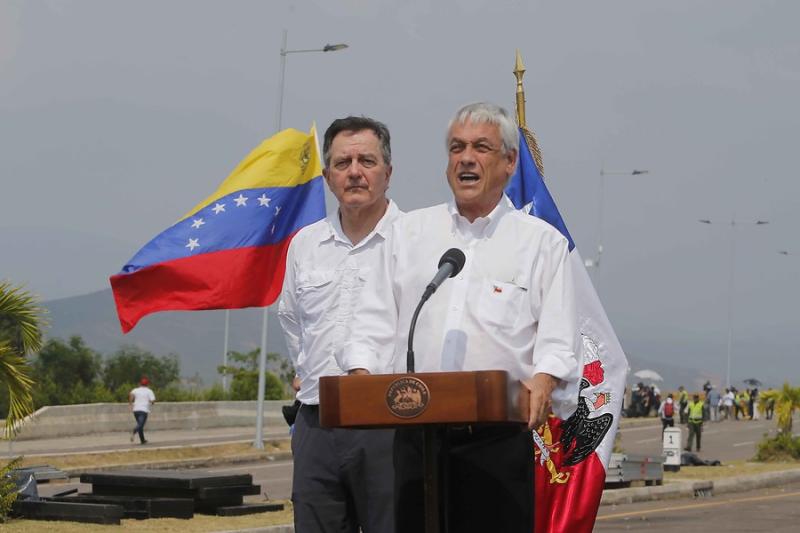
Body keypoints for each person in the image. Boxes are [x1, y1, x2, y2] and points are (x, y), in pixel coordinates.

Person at [341, 102, 581, 533]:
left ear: (509, 162)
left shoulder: (540, 243)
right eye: (456, 148)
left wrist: (544, 382)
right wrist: (362, 377)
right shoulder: (408, 234)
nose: (465, 158)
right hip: (416, 438)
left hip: (496, 442)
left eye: (480, 148)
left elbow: (559, 339)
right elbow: (369, 321)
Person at [277, 116, 401, 533]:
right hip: (317, 420)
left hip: (392, 424)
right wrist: (307, 371)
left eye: (366, 160)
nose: (354, 171)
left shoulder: (415, 241)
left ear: (388, 171)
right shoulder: (305, 244)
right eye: (342, 162)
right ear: (328, 177)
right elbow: (293, 320)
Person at [129, 377, 155, 444]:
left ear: (140, 384)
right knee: (140, 424)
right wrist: (150, 402)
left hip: (136, 410)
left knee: (139, 425)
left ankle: (142, 440)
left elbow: (131, 394)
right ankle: (134, 431)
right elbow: (153, 401)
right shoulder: (149, 391)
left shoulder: (135, 390)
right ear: (147, 384)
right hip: (143, 410)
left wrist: (131, 403)